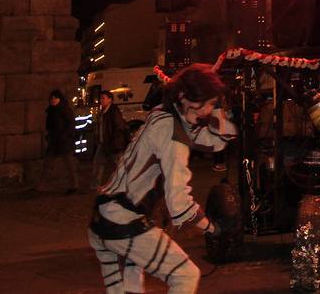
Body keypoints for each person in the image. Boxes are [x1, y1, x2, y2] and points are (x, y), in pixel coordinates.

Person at [87, 63, 235, 294]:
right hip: (123, 221)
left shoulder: (162, 114)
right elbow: (179, 204)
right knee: (185, 275)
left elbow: (219, 139)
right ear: (184, 97)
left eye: (211, 104)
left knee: (127, 290)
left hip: (106, 217)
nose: (207, 110)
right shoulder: (173, 134)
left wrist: (217, 108)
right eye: (204, 104)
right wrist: (212, 228)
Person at [42, 89, 79, 194]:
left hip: (64, 142)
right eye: (51, 98)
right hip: (54, 142)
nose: (53, 100)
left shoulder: (65, 110)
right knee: (47, 163)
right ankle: (41, 185)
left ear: (60, 99)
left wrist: (63, 136)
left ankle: (74, 185)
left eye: (55, 98)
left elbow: (70, 125)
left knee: (69, 164)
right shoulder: (51, 111)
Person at [92, 90, 131, 189]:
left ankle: (127, 183)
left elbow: (119, 128)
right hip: (103, 143)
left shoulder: (113, 111)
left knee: (119, 165)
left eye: (103, 98)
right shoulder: (103, 112)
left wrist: (114, 143)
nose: (101, 100)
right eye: (100, 98)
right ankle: (94, 184)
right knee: (98, 164)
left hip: (113, 145)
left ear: (110, 100)